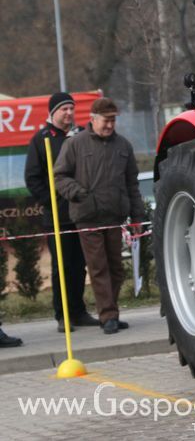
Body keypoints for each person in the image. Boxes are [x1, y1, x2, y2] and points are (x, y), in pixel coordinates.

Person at [54, 98, 145, 334]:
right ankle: (108, 316)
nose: (110, 126)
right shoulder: (75, 144)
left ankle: (110, 311)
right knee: (99, 268)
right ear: (93, 119)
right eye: (106, 121)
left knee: (116, 268)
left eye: (113, 120)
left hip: (114, 218)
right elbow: (60, 177)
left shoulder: (123, 146)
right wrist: (79, 194)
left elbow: (132, 184)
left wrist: (137, 217)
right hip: (87, 217)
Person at [24, 92, 99, 333]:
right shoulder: (41, 139)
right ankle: (63, 315)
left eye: (71, 109)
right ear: (52, 112)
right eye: (63, 109)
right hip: (57, 216)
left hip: (82, 213)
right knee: (62, 267)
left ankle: (78, 311)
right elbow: (33, 178)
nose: (68, 113)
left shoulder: (79, 136)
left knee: (79, 266)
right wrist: (52, 201)